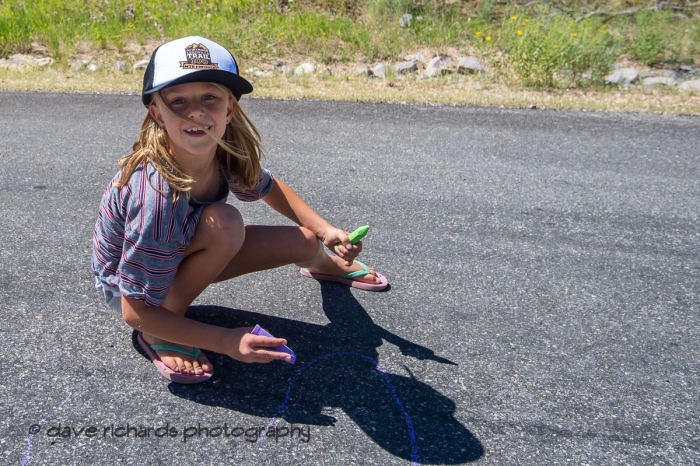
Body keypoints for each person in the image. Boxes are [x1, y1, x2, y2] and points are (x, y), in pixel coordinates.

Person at [91, 36, 388, 384]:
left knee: (305, 241)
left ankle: (324, 265)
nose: (197, 111)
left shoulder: (222, 153)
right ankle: (164, 332)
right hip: (132, 288)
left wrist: (325, 231)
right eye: (179, 101)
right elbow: (133, 311)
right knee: (225, 222)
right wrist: (224, 340)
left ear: (229, 108)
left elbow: (268, 187)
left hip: (176, 248)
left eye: (209, 97)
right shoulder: (155, 197)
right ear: (157, 114)